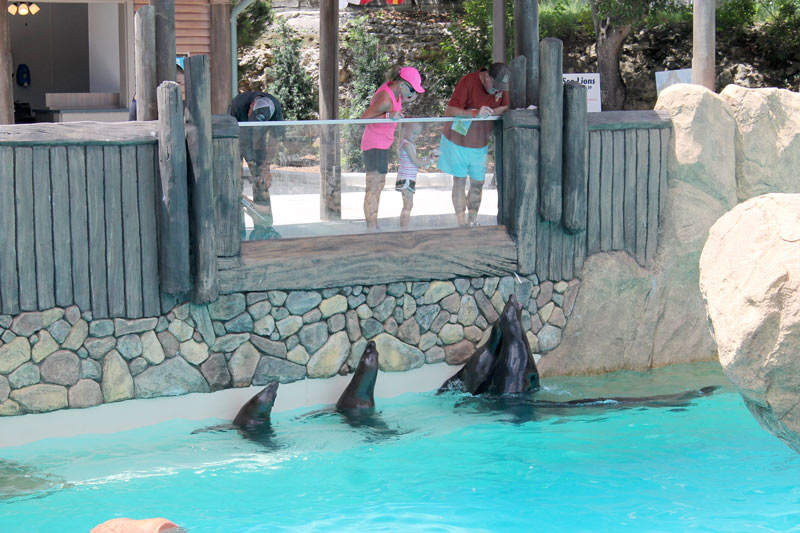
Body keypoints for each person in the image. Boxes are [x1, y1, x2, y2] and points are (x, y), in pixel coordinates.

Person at [438, 62, 510, 226]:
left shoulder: (501, 86)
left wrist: (492, 111)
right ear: (486, 76)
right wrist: (475, 112)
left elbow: (506, 107)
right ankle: (461, 223)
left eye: (500, 88)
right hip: (457, 141)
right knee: (460, 180)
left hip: (480, 143)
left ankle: (472, 220)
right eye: (494, 86)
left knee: (478, 182)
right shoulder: (468, 82)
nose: (497, 91)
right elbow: (451, 110)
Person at [360, 66, 425, 231]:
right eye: (411, 89)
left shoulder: (396, 92)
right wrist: (389, 116)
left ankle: (373, 225)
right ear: (402, 84)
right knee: (374, 186)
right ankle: (371, 228)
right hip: (374, 143)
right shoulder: (386, 99)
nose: (413, 94)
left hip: (383, 143)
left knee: (378, 184)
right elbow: (363, 118)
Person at [228, 91, 284, 239]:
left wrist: (266, 167)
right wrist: (235, 167)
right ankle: (236, 229)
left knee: (262, 183)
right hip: (236, 142)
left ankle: (264, 227)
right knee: (234, 183)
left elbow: (275, 139)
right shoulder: (237, 104)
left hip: (257, 145)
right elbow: (229, 136)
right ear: (252, 105)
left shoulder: (275, 108)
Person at [395, 121, 439, 229]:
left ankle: (404, 227)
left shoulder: (409, 144)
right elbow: (416, 162)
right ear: (405, 130)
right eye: (414, 133)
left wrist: (428, 159)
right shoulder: (406, 145)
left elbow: (414, 162)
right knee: (407, 205)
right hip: (406, 179)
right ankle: (404, 229)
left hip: (407, 178)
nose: (416, 136)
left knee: (408, 205)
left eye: (417, 133)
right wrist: (430, 162)